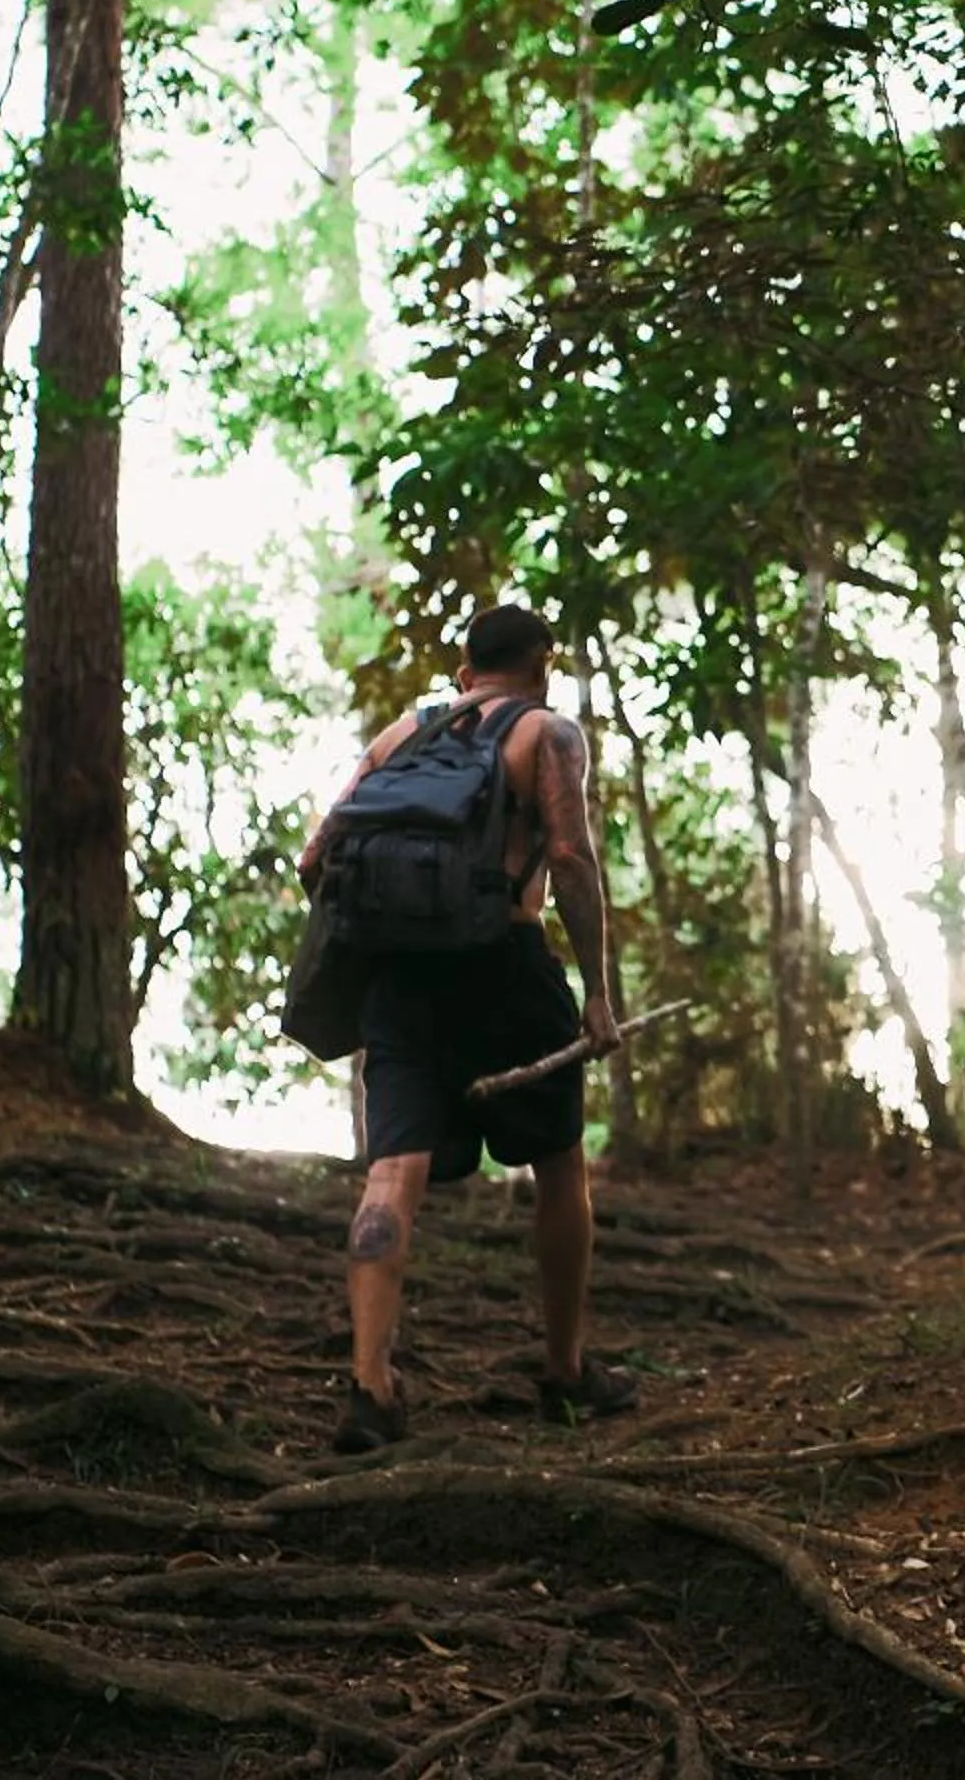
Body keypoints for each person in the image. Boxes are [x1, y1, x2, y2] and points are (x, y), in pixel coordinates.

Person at [294, 603, 639, 1452]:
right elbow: (568, 859)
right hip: (506, 967)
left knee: (392, 1173)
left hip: (401, 980)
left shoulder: (398, 737)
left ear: (463, 671)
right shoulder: (545, 733)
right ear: (542, 665)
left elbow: (314, 860)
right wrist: (596, 992)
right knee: (559, 1162)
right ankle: (564, 1373)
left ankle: (371, 1387)